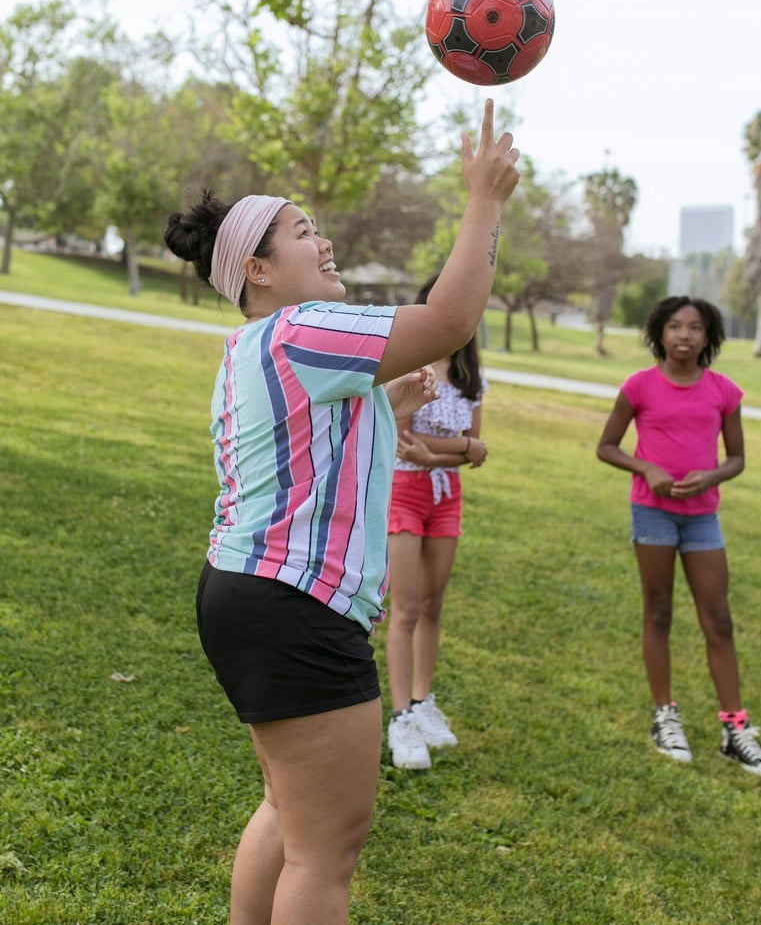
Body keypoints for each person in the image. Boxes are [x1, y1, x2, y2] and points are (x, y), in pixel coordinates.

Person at [163, 98, 520, 925]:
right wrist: (484, 199)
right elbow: (451, 320)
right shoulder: (303, 329)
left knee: (290, 812)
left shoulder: (255, 347)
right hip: (293, 604)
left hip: (244, 592)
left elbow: (310, 452)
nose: (322, 241)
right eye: (303, 231)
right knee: (327, 850)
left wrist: (388, 402)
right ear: (258, 269)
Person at [596, 294, 761, 776]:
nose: (684, 335)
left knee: (719, 619)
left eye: (695, 327)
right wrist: (645, 467)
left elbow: (737, 458)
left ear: (708, 336)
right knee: (659, 611)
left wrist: (711, 476)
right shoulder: (639, 386)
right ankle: (665, 717)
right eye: (675, 326)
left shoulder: (723, 391)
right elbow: (606, 447)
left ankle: (735, 729)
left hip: (701, 518)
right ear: (659, 333)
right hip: (652, 514)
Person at [385, 274, 488, 770]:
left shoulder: (471, 377)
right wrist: (464, 447)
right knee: (405, 608)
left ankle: (423, 702)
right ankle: (400, 717)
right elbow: (408, 442)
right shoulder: (412, 365)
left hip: (447, 496)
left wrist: (447, 454)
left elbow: (475, 450)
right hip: (404, 492)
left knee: (432, 604)